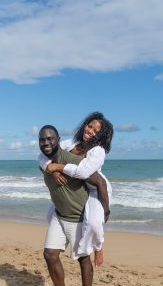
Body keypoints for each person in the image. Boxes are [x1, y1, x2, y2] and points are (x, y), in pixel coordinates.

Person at [39, 125, 109, 286]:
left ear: (58, 140)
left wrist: (106, 211)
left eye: (50, 139)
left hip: (77, 217)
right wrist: (51, 170)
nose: (46, 143)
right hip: (59, 215)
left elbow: (100, 183)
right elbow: (43, 163)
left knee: (83, 259)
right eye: (42, 140)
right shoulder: (44, 162)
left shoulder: (73, 160)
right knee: (50, 254)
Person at [39, 112, 113, 267]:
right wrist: (51, 169)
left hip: (94, 189)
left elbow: (83, 171)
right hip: (75, 189)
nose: (90, 131)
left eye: (96, 131)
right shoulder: (71, 143)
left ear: (101, 136)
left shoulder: (98, 151)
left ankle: (98, 247)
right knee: (50, 215)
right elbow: (44, 156)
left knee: (94, 223)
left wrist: (58, 166)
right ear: (84, 125)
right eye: (89, 126)